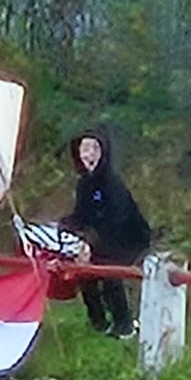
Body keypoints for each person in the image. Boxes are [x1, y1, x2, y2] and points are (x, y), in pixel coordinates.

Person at [60, 127, 151, 340]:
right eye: (84, 149)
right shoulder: (84, 183)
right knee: (83, 272)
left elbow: (116, 220)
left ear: (104, 152)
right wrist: (64, 226)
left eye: (94, 149)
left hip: (129, 240)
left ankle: (124, 324)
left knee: (109, 272)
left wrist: (91, 243)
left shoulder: (112, 183)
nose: (89, 155)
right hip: (101, 238)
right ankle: (98, 322)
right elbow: (81, 215)